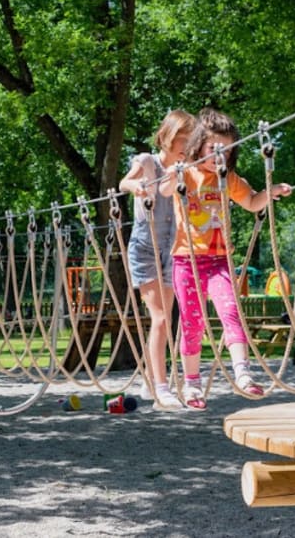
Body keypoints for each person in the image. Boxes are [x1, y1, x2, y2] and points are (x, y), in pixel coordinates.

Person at [160, 108, 292, 410]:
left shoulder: (228, 179)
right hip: (187, 262)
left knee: (231, 312)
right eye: (213, 148)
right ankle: (191, 384)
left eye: (226, 151)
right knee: (192, 323)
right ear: (198, 146)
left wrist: (270, 192)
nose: (219, 156)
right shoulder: (186, 173)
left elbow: (251, 202)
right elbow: (165, 190)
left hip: (219, 261)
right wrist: (174, 172)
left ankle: (242, 373)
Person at [119, 109, 196, 411]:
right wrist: (137, 187)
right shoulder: (148, 161)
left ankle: (152, 377)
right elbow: (125, 182)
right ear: (167, 136)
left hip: (173, 246)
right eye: (181, 138)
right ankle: (162, 389)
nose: (185, 145)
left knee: (167, 319)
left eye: (189, 140)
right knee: (161, 317)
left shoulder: (185, 168)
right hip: (145, 245)